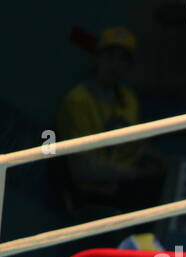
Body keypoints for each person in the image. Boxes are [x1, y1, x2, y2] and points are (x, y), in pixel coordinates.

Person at [55, 27, 165, 221]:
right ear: (98, 58)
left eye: (123, 59)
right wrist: (135, 174)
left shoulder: (129, 99)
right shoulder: (78, 100)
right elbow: (83, 170)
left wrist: (158, 160)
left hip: (123, 185)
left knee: (164, 186)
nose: (115, 65)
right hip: (91, 191)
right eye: (110, 56)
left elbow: (135, 147)